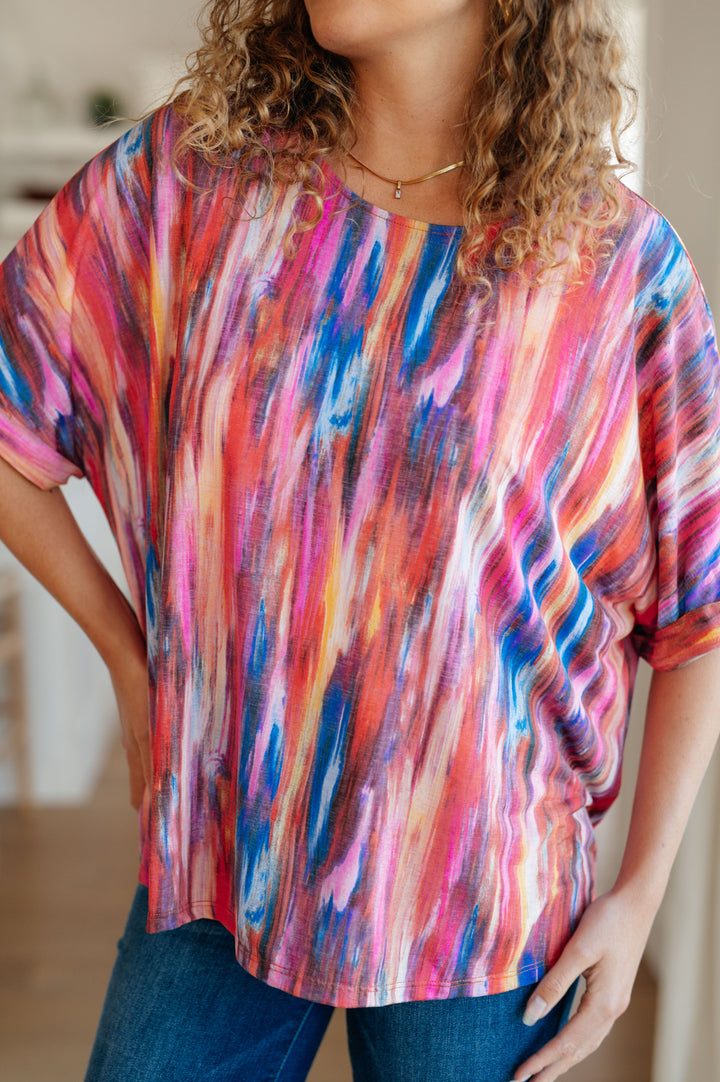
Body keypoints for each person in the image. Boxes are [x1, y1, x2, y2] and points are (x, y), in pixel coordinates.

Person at [1, 0, 720, 1079]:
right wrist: (126, 656)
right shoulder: (190, 183)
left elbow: (701, 606)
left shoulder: (617, 269)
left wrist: (640, 894)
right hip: (228, 848)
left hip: (481, 901)